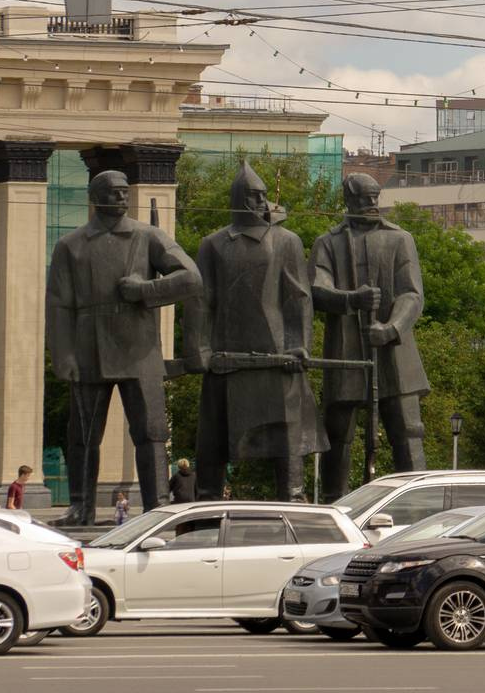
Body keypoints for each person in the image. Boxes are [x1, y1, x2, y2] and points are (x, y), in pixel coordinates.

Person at [48, 169, 205, 526]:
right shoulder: (70, 245)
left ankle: (158, 509)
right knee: (83, 436)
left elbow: (191, 278)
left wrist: (145, 290)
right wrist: (64, 356)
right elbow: (58, 305)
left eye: (123, 192)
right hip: (88, 348)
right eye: (113, 192)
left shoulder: (148, 236)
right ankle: (80, 507)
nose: (120, 198)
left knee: (151, 433)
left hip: (140, 349)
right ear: (95, 197)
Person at [185, 161, 325, 502]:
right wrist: (198, 350)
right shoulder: (213, 244)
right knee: (215, 434)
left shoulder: (286, 241)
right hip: (226, 358)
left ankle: (293, 495)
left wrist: (299, 346)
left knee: (287, 433)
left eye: (263, 196)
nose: (260, 203)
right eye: (252, 196)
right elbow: (202, 301)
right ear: (237, 199)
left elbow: (298, 298)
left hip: (278, 358)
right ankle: (207, 498)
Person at [311, 173, 430, 503]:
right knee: (337, 434)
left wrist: (390, 328)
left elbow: (412, 294)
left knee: (407, 433)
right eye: (364, 199)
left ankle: (418, 506)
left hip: (394, 352)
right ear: (348, 200)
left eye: (375, 197)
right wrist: (350, 299)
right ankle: (334, 506)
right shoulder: (328, 243)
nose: (372, 204)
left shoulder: (399, 239)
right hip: (346, 351)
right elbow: (316, 289)